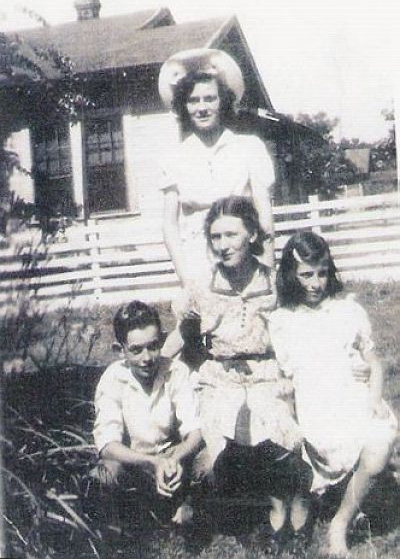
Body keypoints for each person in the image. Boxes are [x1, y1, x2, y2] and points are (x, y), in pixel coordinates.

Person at [172, 196, 312, 541]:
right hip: (221, 377)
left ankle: (290, 508)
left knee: (282, 438)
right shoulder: (201, 287)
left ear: (251, 234)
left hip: (268, 374)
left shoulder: (276, 283)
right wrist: (157, 365)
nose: (223, 246)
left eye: (232, 235)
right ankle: (231, 514)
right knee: (215, 456)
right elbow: (182, 335)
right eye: (216, 237)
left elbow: (307, 323)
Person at [269, 231, 398, 557]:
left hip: (353, 399)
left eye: (322, 273)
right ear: (291, 275)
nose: (315, 283)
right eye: (306, 275)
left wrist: (374, 399)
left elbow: (375, 363)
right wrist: (288, 410)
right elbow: (284, 377)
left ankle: (340, 523)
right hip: (317, 410)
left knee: (379, 442)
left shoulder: (347, 310)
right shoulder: (283, 321)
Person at [158, 48, 276, 290]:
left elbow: (264, 215)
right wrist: (186, 279)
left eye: (209, 98)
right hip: (197, 262)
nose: (201, 108)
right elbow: (169, 224)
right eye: (193, 100)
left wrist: (267, 271)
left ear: (223, 102)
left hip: (244, 258)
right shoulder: (174, 157)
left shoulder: (249, 147)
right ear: (183, 106)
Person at [92, 300, 203, 525]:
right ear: (119, 350)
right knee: (105, 474)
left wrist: (173, 458)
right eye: (135, 350)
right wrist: (152, 462)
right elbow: (107, 446)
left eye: (153, 346)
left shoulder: (175, 370)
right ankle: (132, 523)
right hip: (135, 461)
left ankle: (189, 507)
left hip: (174, 458)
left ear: (161, 340)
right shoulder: (113, 379)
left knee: (208, 462)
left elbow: (195, 432)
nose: (147, 358)